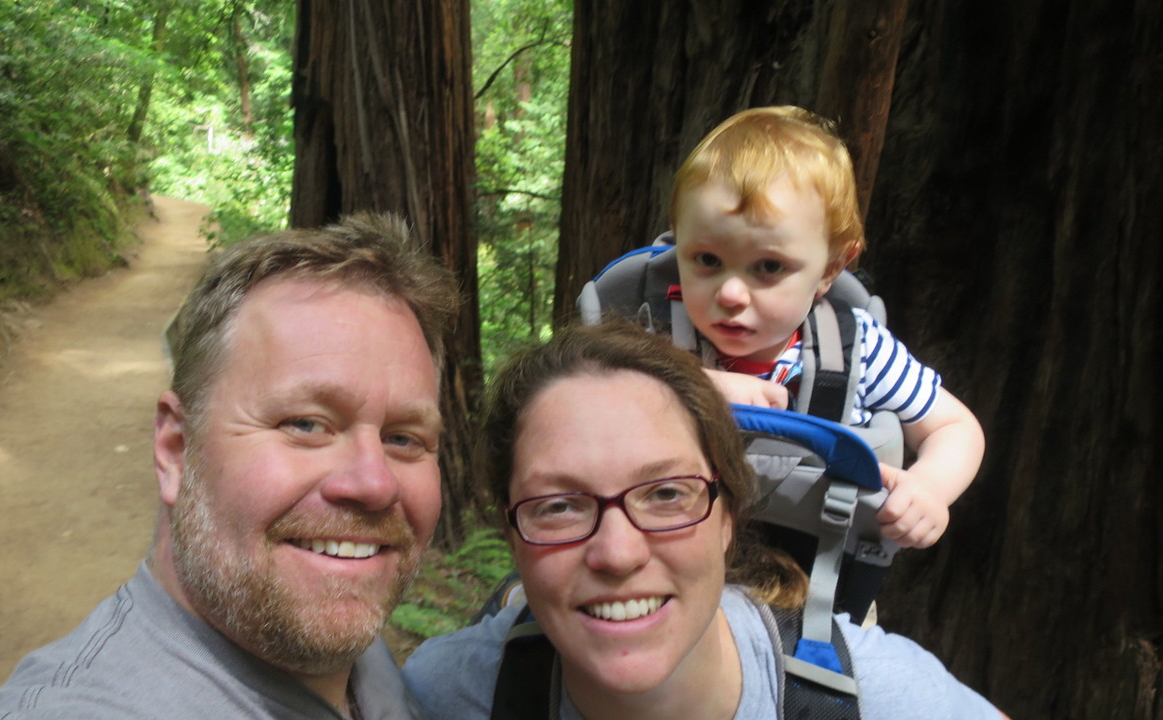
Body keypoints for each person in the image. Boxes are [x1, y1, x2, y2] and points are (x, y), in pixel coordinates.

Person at [0, 213, 458, 720]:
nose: (375, 483)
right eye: (305, 424)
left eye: (402, 438)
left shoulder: (351, 652)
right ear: (176, 449)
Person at [402, 322, 1008, 720]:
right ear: (512, 535)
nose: (619, 553)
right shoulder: (440, 697)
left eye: (667, 493)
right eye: (559, 505)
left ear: (727, 518)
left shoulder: (876, 697)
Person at [668, 105, 984, 548]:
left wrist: (930, 487)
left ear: (831, 268)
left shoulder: (857, 349)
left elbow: (953, 426)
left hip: (818, 576)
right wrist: (695, 385)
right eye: (707, 260)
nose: (732, 294)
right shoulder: (654, 332)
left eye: (769, 266)